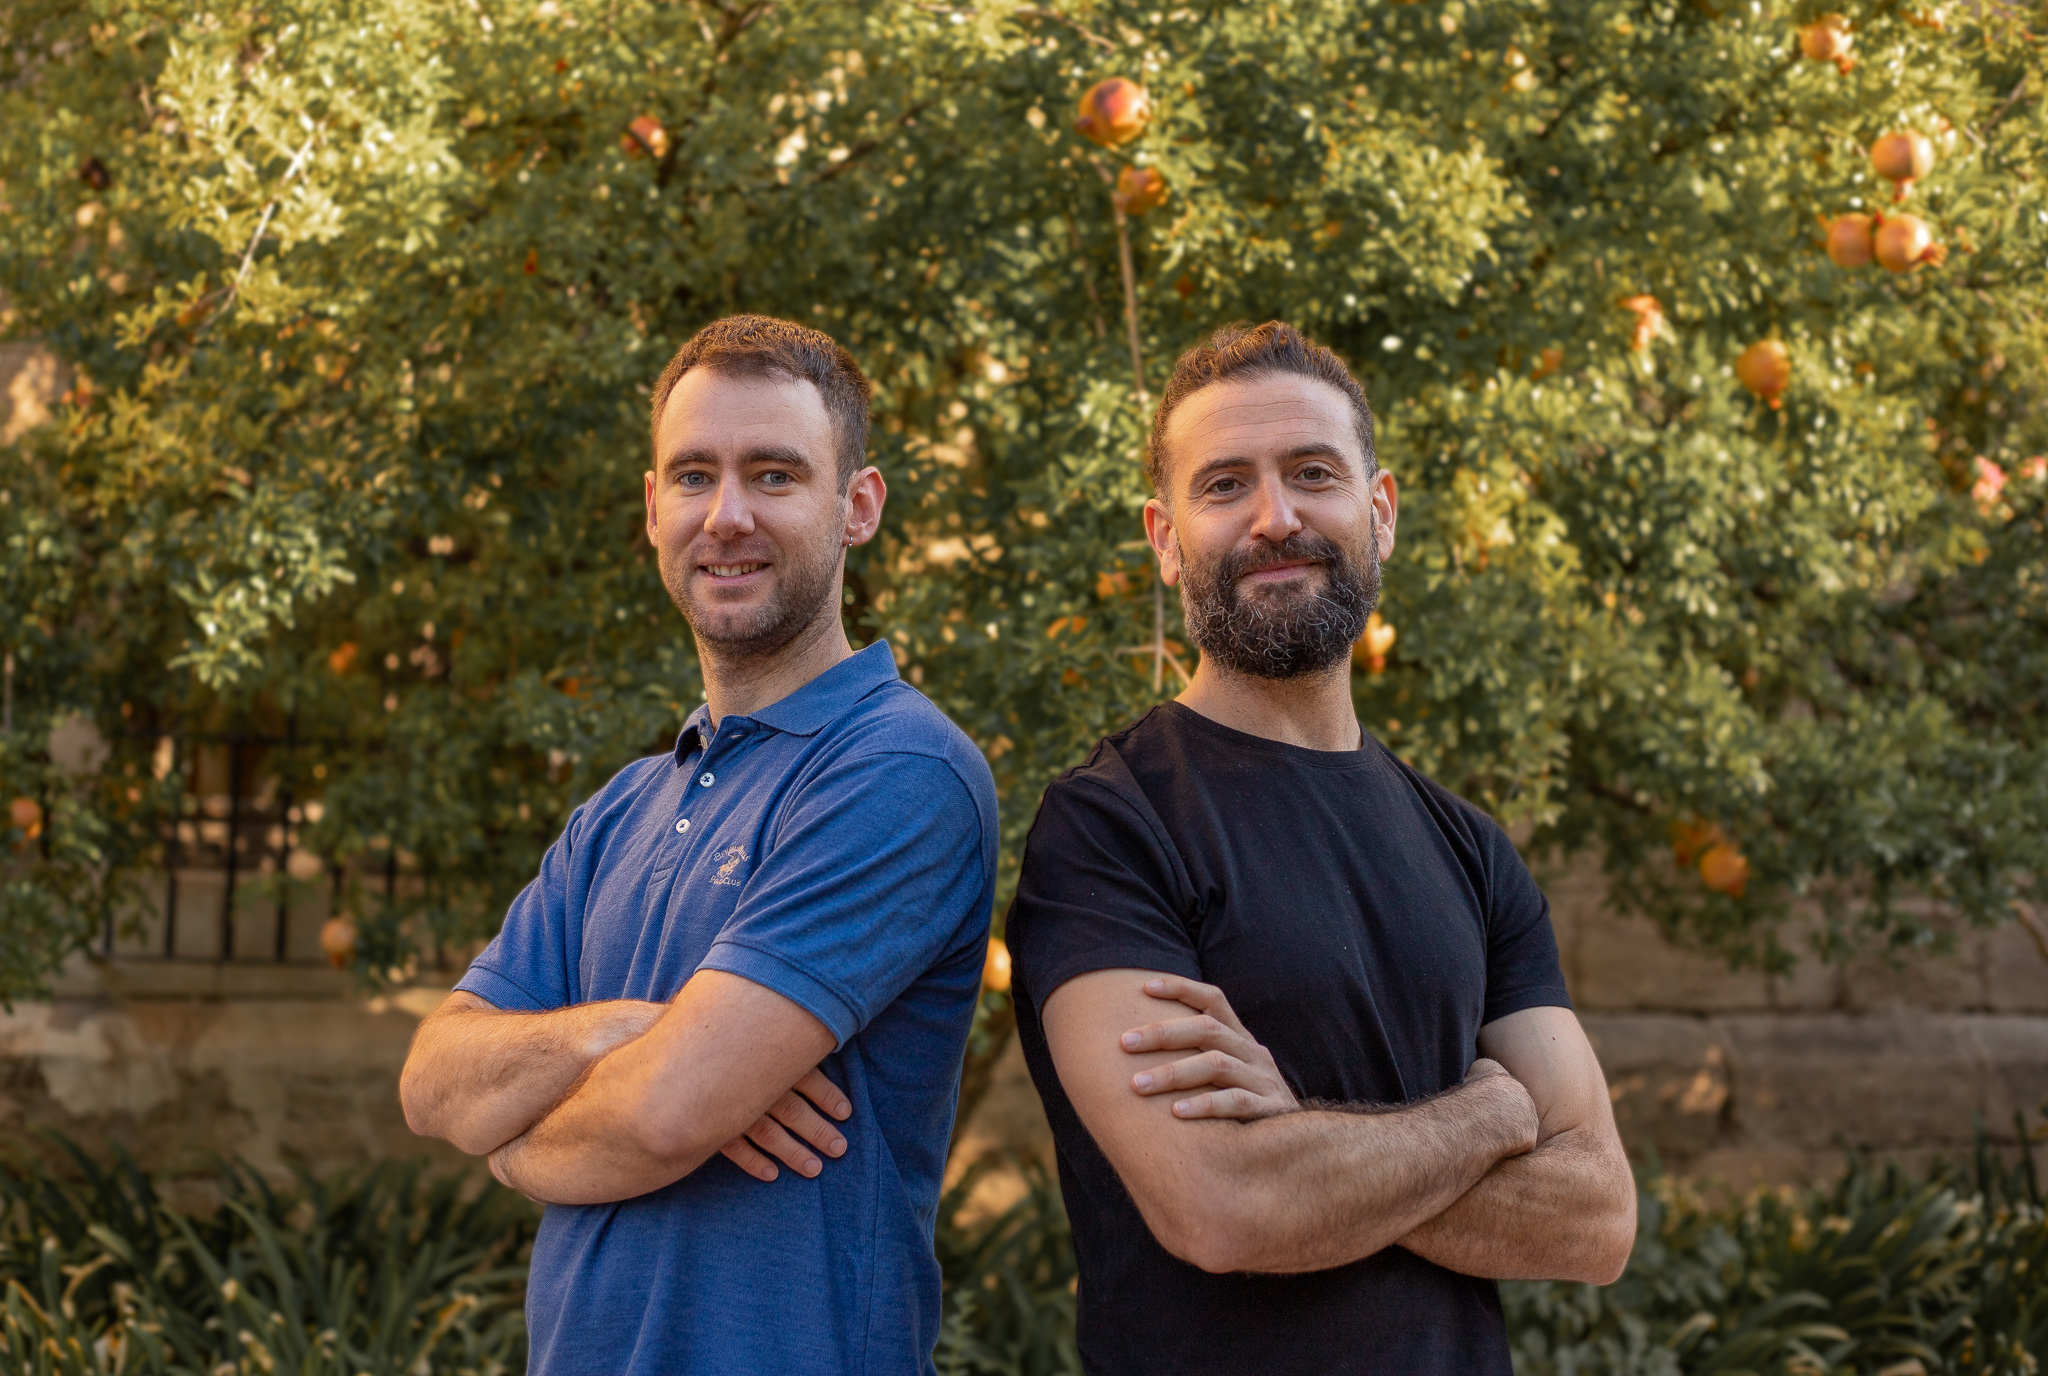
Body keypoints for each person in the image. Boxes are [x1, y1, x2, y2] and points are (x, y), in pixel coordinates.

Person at [1005, 322, 1636, 1375]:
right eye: (1223, 485)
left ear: (1377, 512)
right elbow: (1222, 1204)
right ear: (1163, 537)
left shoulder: (1469, 848)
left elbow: (1595, 1216)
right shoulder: (1109, 825)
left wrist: (1302, 1142)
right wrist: (1489, 1110)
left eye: (1311, 474)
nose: (1275, 517)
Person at [399, 315, 999, 1376]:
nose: (725, 516)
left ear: (857, 506)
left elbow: (666, 1114)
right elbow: (432, 1080)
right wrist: (626, 1033)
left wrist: (512, 1140)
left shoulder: (898, 768)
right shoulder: (620, 810)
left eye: (773, 474)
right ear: (652, 507)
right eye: (693, 476)